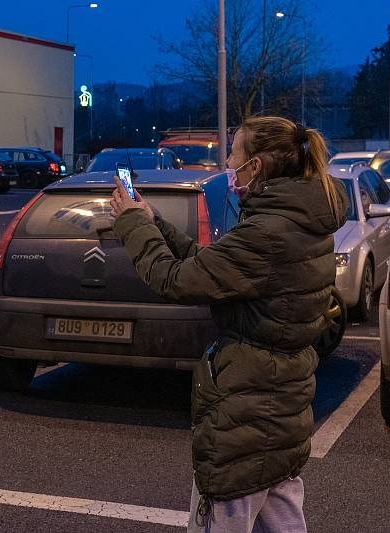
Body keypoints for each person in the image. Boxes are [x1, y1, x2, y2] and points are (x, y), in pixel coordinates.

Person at [109, 116, 349, 533]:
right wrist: (153, 220)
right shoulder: (298, 223)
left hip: (247, 417)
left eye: (233, 155)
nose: (227, 163)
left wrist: (131, 222)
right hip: (281, 411)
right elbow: (211, 266)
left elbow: (173, 278)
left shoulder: (266, 234)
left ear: (255, 167)